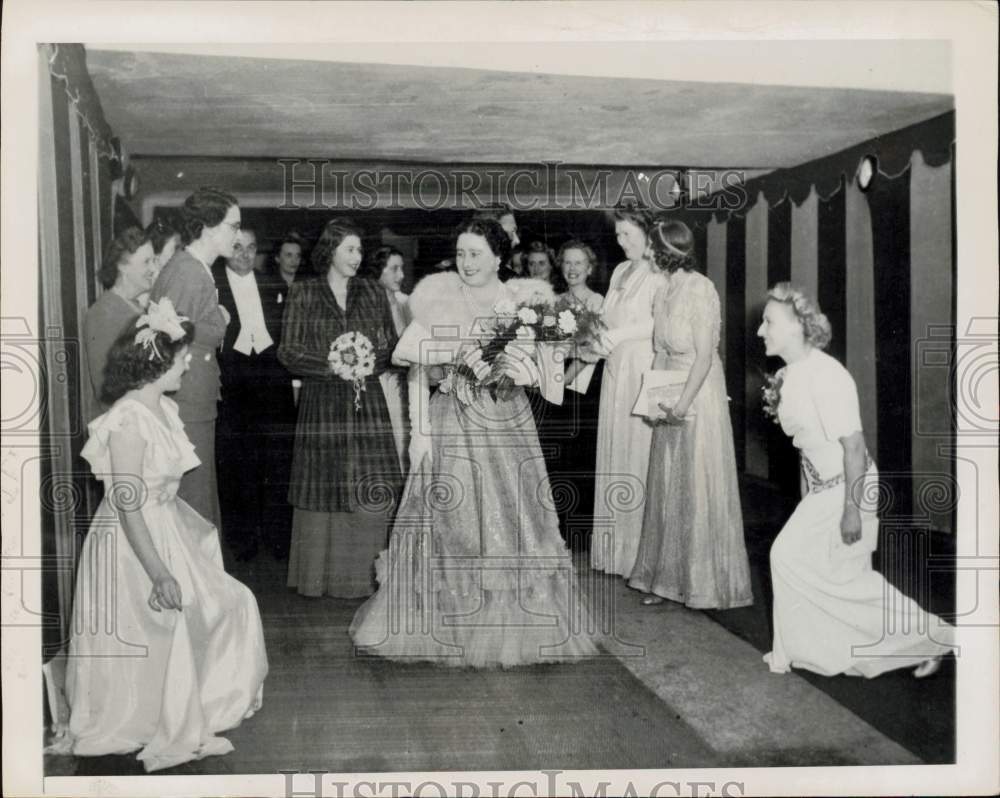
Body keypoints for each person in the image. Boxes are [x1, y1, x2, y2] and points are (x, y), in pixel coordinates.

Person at [349, 217, 598, 668]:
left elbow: (548, 380)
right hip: (453, 424)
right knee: (455, 522)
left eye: (476, 254)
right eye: (461, 253)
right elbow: (412, 363)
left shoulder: (524, 302)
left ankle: (514, 625)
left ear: (499, 258)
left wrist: (532, 367)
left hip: (507, 425)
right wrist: (418, 435)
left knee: (513, 522)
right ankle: (449, 622)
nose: (466, 263)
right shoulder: (438, 297)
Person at [57, 300, 268, 772]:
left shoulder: (164, 409)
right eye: (181, 356)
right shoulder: (128, 419)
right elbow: (129, 505)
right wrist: (159, 572)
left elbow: (163, 493)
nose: (189, 362)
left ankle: (189, 705)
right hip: (132, 544)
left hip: (164, 528)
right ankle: (144, 717)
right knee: (157, 627)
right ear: (157, 361)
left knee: (230, 603)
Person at [757, 283, 954, 678]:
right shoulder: (789, 374)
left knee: (798, 561)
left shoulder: (828, 376)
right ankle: (922, 639)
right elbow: (806, 446)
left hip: (850, 486)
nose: (761, 330)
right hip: (823, 487)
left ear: (798, 327)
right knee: (838, 575)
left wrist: (853, 511)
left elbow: (854, 448)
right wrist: (807, 495)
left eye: (769, 322)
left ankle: (936, 634)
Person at [628, 220, 753, 609]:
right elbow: (662, 351)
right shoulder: (663, 289)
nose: (647, 253)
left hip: (698, 393)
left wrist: (682, 403)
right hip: (669, 387)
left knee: (695, 483)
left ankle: (703, 583)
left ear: (666, 250)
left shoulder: (701, 289)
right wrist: (656, 401)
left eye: (652, 247)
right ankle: (668, 581)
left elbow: (704, 356)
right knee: (670, 484)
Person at [278, 218, 402, 598]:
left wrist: (366, 361)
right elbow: (289, 351)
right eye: (349, 249)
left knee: (370, 484)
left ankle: (364, 579)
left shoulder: (373, 292)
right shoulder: (304, 292)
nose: (357, 256)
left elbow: (391, 348)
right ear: (329, 251)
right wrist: (332, 364)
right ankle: (318, 579)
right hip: (322, 405)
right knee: (322, 486)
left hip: (367, 405)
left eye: (360, 250)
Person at [149, 187, 239, 531]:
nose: (238, 234)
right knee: (192, 503)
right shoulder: (189, 271)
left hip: (194, 398)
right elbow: (171, 338)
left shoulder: (195, 268)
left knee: (197, 498)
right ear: (209, 226)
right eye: (233, 226)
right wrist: (219, 320)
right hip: (185, 401)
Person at [587, 206, 667, 577]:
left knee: (639, 452)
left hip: (643, 367)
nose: (621, 243)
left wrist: (618, 335)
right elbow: (606, 315)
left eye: (628, 236)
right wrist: (593, 336)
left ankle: (643, 557)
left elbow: (663, 322)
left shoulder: (661, 270)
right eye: (618, 236)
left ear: (649, 233)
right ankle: (615, 555)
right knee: (616, 448)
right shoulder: (620, 270)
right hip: (617, 367)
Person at [214, 227, 296, 562]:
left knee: (277, 463)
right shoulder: (211, 284)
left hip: (272, 383)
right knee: (237, 467)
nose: (244, 254)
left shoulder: (272, 283)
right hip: (233, 385)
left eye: (251, 247)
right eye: (237, 247)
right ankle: (243, 541)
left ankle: (278, 539)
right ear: (225, 250)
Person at [552, 240, 606, 550]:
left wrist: (562, 376)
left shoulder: (597, 301)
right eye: (567, 263)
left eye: (579, 263)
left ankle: (582, 534)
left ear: (589, 268)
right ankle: (559, 530)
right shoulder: (554, 301)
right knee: (560, 458)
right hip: (558, 386)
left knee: (583, 457)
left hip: (584, 388)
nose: (572, 269)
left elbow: (589, 349)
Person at [83, 227, 157, 416]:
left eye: (154, 261)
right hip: (123, 422)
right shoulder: (103, 313)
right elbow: (106, 387)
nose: (153, 269)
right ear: (122, 266)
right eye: (146, 262)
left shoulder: (137, 306)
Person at [359, 245, 411, 474]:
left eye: (402, 268)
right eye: (394, 269)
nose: (401, 275)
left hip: (406, 384)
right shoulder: (364, 305)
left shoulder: (407, 303)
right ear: (378, 271)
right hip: (380, 384)